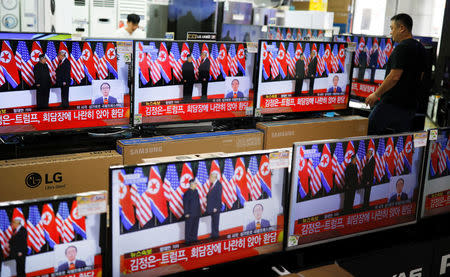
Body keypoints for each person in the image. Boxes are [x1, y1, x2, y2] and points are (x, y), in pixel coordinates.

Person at [366, 13, 426, 135]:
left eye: (392, 28)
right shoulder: (421, 48)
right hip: (409, 107)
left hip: (391, 104)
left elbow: (394, 76)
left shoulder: (402, 48)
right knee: (400, 142)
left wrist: (376, 94)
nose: (391, 32)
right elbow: (421, 76)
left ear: (402, 28)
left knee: (368, 134)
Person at [183, 179, 201, 245]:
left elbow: (198, 203)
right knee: (188, 228)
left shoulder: (196, 191)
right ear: (191, 184)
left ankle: (194, 239)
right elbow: (185, 204)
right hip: (189, 214)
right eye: (195, 183)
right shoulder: (187, 193)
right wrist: (186, 213)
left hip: (197, 213)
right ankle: (187, 241)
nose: (196, 185)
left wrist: (199, 212)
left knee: (195, 227)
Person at [206, 172, 222, 239]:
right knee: (213, 221)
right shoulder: (212, 185)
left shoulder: (218, 185)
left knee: (216, 222)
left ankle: (216, 236)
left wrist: (216, 207)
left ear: (214, 177)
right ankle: (213, 234)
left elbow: (218, 197)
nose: (209, 179)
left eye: (210, 178)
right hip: (211, 207)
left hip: (216, 208)